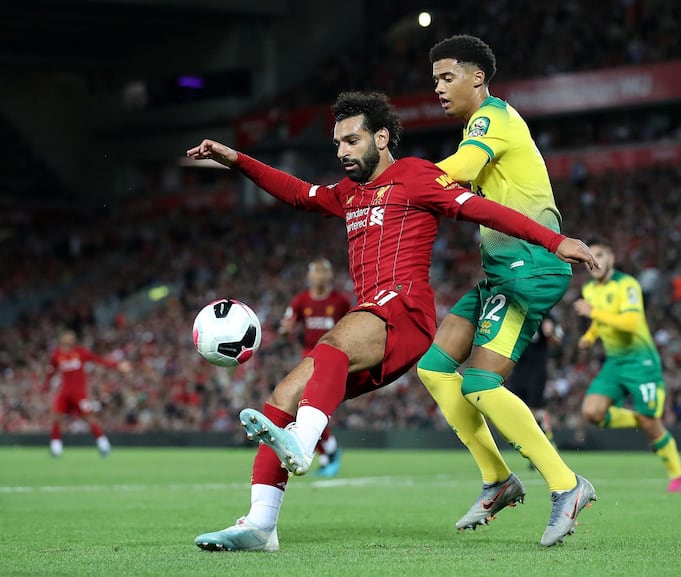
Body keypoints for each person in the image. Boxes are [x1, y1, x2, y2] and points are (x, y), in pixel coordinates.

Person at [186, 90, 598, 552]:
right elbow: (299, 193)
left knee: (335, 343)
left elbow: (483, 209)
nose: (342, 151)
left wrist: (552, 239)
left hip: (404, 311)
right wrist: (236, 159)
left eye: (352, 140)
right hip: (376, 320)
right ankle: (261, 526)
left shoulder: (417, 176)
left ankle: (304, 444)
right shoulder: (349, 193)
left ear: (381, 138)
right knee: (283, 394)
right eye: (338, 143)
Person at [414, 34, 596, 546]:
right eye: (434, 81)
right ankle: (498, 480)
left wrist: (398, 180)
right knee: (434, 367)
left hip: (530, 266)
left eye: (447, 78)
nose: (439, 89)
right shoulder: (485, 122)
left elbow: (461, 171)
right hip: (502, 270)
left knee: (479, 384)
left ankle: (566, 486)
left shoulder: (490, 118)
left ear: (477, 77)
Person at [573, 237, 681, 493]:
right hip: (615, 362)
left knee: (651, 425)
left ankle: (678, 477)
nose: (595, 262)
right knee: (592, 412)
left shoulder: (628, 285)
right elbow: (601, 321)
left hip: (640, 361)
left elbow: (630, 323)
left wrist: (592, 314)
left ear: (611, 259)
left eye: (600, 255)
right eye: (590, 257)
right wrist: (590, 337)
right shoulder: (590, 290)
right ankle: (643, 418)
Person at [279, 258, 352, 476]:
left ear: (330, 276)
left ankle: (328, 451)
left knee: (312, 407)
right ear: (309, 276)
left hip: (333, 358)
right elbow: (286, 326)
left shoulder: (340, 302)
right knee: (302, 408)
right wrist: (286, 330)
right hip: (308, 359)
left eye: (324, 272)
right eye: (316, 272)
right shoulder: (300, 301)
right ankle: (328, 452)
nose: (320, 276)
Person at [43, 329, 131, 457]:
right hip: (64, 393)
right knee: (57, 417)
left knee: (89, 418)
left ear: (74, 340)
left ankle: (104, 444)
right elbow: (50, 370)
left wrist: (116, 365)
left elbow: (98, 360)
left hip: (79, 394)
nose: (68, 340)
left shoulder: (81, 352)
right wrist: (45, 385)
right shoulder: (57, 355)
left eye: (70, 338)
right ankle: (56, 447)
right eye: (66, 338)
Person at [505, 315, 563, 449]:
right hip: (518, 370)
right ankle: (535, 444)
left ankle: (545, 443)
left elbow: (558, 343)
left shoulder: (545, 316)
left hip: (536, 372)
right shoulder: (516, 315)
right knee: (516, 409)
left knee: (534, 410)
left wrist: (550, 333)